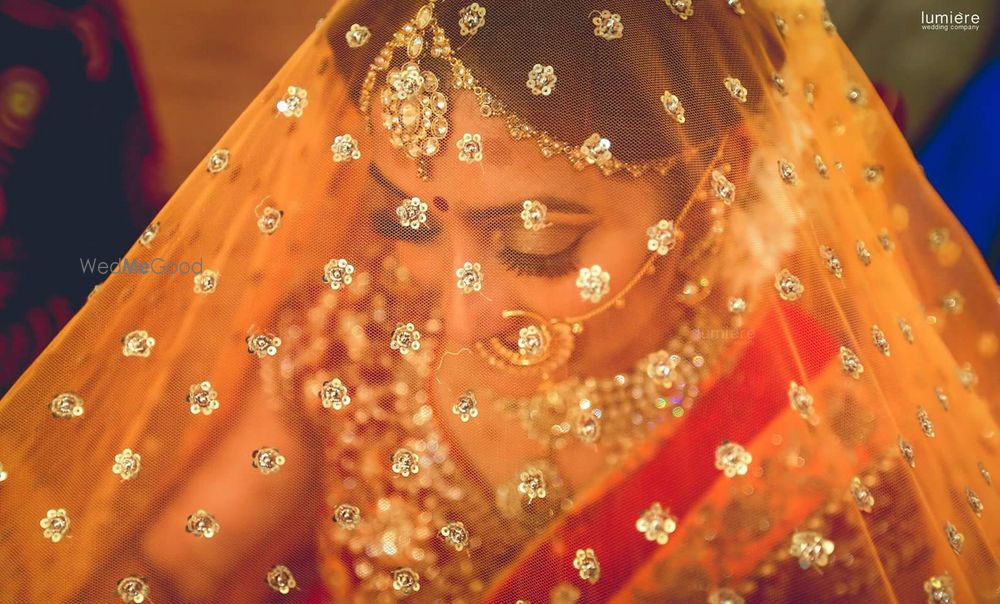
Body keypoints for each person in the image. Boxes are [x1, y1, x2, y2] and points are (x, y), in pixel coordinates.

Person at [1, 0, 998, 602]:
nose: (457, 312)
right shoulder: (363, 322)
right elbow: (170, 568)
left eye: (536, 241)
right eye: (406, 220)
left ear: (718, 175)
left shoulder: (828, 451)